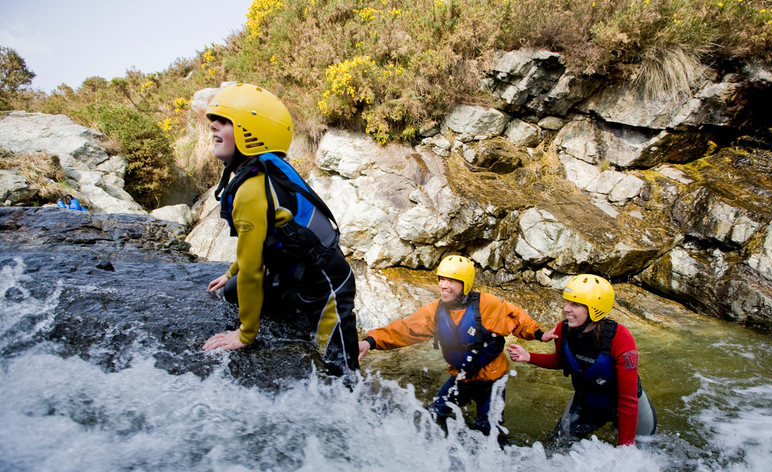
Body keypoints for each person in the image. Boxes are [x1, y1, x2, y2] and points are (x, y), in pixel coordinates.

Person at [201, 83, 359, 378]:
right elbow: (253, 253)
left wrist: (245, 334)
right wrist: (231, 272)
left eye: (223, 121)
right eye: (214, 120)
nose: (212, 126)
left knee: (342, 374)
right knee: (233, 291)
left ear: (252, 130)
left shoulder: (253, 187)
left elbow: (252, 267)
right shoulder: (260, 172)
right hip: (293, 275)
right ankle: (299, 313)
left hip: (329, 285)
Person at [359, 255, 545, 435]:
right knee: (432, 416)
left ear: (466, 284)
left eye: (452, 281)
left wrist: (539, 334)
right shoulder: (435, 311)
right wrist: (370, 342)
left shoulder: (488, 305)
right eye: (441, 279)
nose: (443, 286)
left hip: (491, 382)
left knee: (489, 432)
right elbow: (405, 329)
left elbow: (516, 316)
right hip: (460, 379)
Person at [507, 274, 656, 447]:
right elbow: (561, 361)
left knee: (642, 454)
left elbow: (627, 401)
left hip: (628, 407)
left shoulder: (620, 338)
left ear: (594, 309)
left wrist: (626, 450)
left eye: (574, 304)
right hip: (587, 400)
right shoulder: (564, 330)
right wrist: (529, 356)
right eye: (567, 302)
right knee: (554, 448)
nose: (566, 308)